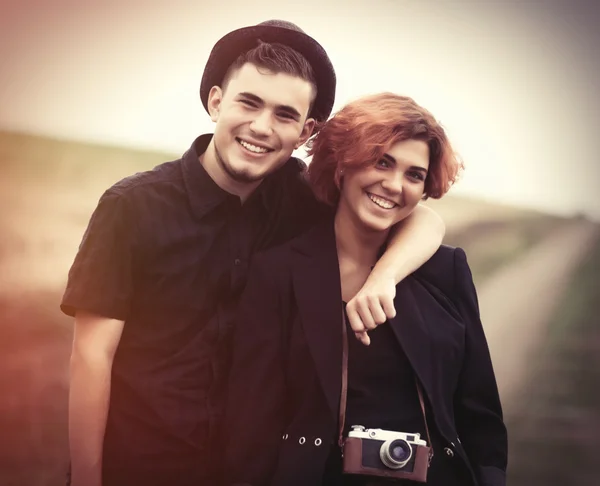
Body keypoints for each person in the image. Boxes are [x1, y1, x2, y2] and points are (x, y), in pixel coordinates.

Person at [61, 21, 446, 486]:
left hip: (252, 470)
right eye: (249, 102)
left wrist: (384, 276)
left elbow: (423, 219)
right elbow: (91, 358)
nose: (261, 127)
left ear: (306, 131)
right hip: (140, 466)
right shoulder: (132, 207)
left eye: (285, 115)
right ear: (216, 101)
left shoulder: (305, 202)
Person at [223, 93, 508, 486]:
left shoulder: (447, 270)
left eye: (414, 174)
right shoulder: (278, 271)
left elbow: (481, 413)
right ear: (343, 164)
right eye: (382, 161)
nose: (394, 185)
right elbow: (249, 424)